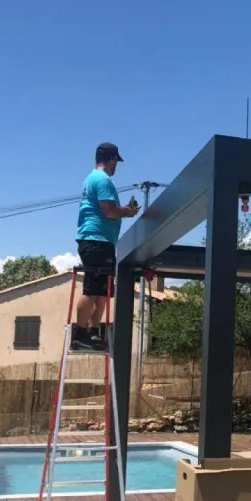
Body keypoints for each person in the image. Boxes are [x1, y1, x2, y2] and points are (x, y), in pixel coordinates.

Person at [72, 142, 139, 350]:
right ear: (111, 160)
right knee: (92, 289)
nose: (115, 166)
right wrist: (127, 212)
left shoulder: (93, 178)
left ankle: (92, 332)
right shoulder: (102, 179)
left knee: (102, 290)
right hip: (96, 241)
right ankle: (80, 334)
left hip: (100, 241)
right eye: (115, 161)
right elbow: (108, 211)